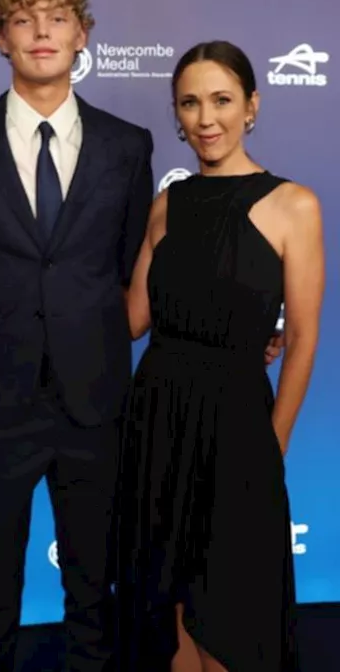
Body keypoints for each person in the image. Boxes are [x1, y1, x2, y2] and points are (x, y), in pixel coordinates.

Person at [0, 0, 153, 671]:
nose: (43, 31)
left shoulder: (128, 144)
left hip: (95, 398)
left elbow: (130, 267)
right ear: (0, 39)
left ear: (82, 34)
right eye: (25, 19)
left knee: (93, 581)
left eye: (57, 17)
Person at [115, 40, 322, 672]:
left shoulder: (295, 205)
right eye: (190, 103)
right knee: (168, 602)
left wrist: (274, 442)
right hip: (157, 419)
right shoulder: (166, 205)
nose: (206, 118)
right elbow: (132, 321)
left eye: (222, 100)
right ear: (177, 114)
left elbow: (305, 337)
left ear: (251, 106)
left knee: (233, 606)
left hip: (238, 429)